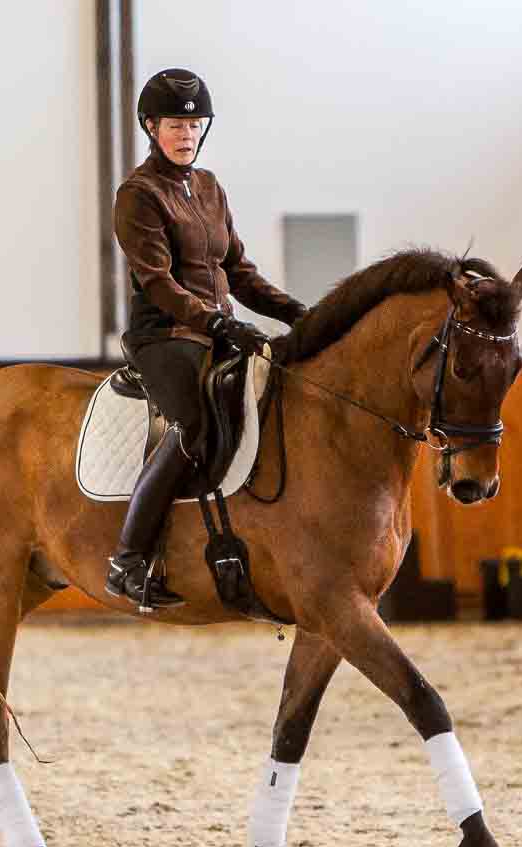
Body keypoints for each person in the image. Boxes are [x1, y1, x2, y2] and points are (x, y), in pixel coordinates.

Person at [107, 67, 307, 609]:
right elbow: (158, 282)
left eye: (195, 124)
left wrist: (298, 313)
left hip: (216, 333)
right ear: (151, 127)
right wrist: (217, 322)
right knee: (193, 424)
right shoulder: (138, 195)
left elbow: (238, 271)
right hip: (166, 335)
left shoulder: (210, 188)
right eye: (175, 123)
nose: (186, 133)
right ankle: (127, 561)